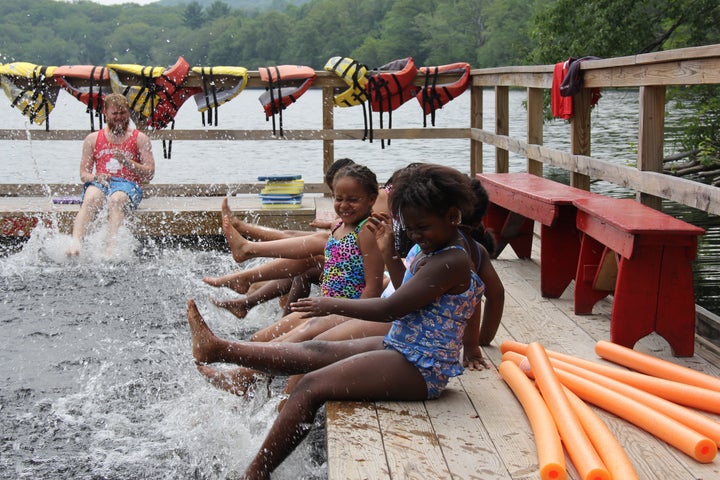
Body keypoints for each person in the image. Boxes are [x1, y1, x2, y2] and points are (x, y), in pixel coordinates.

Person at [187, 163, 484, 479]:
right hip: (403, 345)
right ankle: (219, 351)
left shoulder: (451, 260)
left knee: (311, 386)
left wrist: (329, 304)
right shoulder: (435, 248)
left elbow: (391, 309)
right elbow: (406, 289)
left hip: (423, 367)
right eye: (409, 229)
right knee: (316, 351)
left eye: (421, 228)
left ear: (452, 216)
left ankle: (255, 473)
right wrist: (390, 253)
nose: (415, 236)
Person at [66, 93, 155, 256]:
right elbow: (83, 174)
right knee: (91, 197)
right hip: (102, 182)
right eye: (115, 114)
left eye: (123, 114)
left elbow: (149, 173)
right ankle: (75, 243)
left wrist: (128, 162)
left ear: (128, 113)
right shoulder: (92, 139)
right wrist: (96, 177)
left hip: (128, 185)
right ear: (106, 113)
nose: (119, 118)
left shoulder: (140, 138)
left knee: (116, 199)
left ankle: (112, 247)